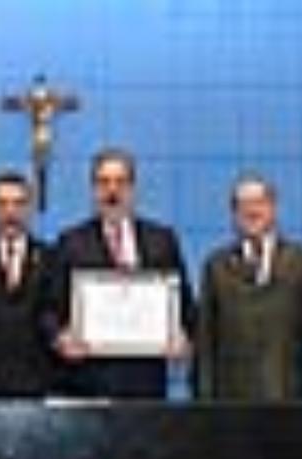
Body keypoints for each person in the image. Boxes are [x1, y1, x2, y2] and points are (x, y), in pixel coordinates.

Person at [49, 148, 195, 398]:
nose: (112, 191)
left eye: (121, 182)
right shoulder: (71, 242)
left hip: (146, 382)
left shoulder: (162, 240)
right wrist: (60, 338)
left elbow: (186, 306)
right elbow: (49, 309)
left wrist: (183, 336)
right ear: (93, 189)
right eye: (104, 182)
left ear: (133, 188)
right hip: (88, 381)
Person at [195, 175, 302, 400]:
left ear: (273, 208)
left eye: (259, 202)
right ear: (233, 215)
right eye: (243, 205)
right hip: (230, 402)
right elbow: (205, 342)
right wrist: (204, 398)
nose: (252, 211)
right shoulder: (216, 266)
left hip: (289, 398)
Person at [0, 170, 57, 397]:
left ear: (30, 208)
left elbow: (54, 312)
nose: (10, 212)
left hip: (40, 382)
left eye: (18, 203)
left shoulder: (51, 257)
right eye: (2, 203)